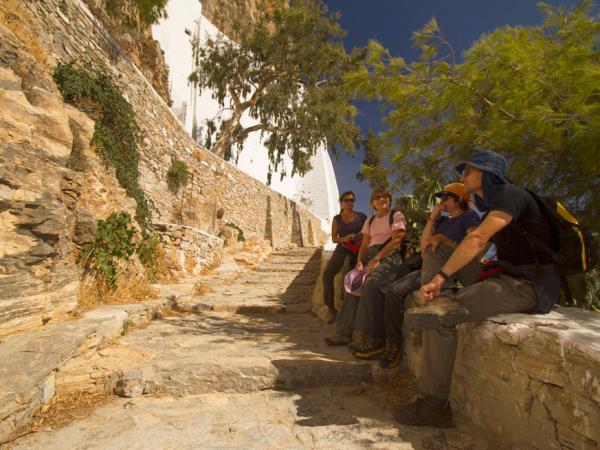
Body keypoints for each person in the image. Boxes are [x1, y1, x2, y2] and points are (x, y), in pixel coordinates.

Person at [393, 150, 561, 428]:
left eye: (468, 171)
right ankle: (436, 301)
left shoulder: (511, 195)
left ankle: (434, 406)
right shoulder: (494, 204)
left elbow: (479, 239)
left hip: (529, 287)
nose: (463, 176)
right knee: (437, 248)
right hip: (503, 278)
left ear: (486, 173)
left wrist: (440, 278)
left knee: (439, 317)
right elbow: (473, 246)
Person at [354, 183, 480, 367]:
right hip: (429, 266)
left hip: (453, 270)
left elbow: (474, 251)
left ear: (459, 199)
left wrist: (444, 240)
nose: (441, 202)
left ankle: (392, 344)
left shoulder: (469, 216)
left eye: (446, 198)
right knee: (391, 290)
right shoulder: (442, 221)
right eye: (440, 198)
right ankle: (385, 342)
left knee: (393, 290)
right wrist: (432, 218)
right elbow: (424, 246)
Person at [325, 187, 406, 347]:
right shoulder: (370, 221)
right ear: (372, 203)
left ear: (389, 199)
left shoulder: (396, 216)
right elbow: (365, 244)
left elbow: (397, 240)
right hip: (371, 256)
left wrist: (377, 259)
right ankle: (343, 333)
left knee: (370, 286)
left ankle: (364, 337)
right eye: (377, 197)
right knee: (353, 287)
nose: (381, 199)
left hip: (388, 256)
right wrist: (360, 261)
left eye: (384, 196)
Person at [322, 191, 367, 324]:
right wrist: (345, 238)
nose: (349, 202)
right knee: (328, 274)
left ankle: (350, 311)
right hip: (343, 247)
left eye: (352, 200)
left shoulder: (361, 216)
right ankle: (331, 308)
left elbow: (367, 232)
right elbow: (334, 238)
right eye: (346, 200)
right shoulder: (337, 219)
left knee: (351, 277)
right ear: (341, 203)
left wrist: (357, 235)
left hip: (358, 249)